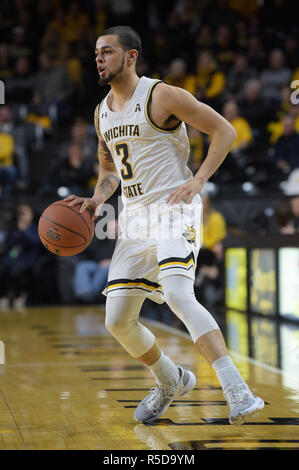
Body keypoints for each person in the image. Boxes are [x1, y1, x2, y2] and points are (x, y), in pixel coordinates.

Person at [66, 25, 264, 425]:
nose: (99, 59)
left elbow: (224, 131)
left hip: (174, 206)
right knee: (117, 319)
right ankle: (171, 379)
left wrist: (198, 180)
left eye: (107, 52)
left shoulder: (161, 95)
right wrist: (98, 198)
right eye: (96, 53)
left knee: (177, 293)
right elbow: (109, 170)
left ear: (131, 56)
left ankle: (237, 390)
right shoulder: (102, 111)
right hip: (135, 216)